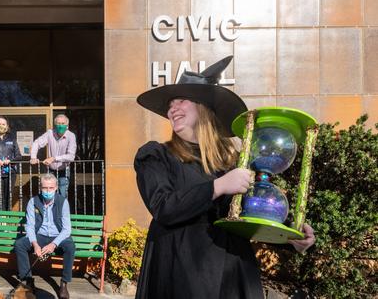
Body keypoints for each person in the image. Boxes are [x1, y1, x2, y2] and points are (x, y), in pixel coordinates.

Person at [134, 56, 316, 298]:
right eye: (169, 105)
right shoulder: (157, 155)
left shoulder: (233, 161)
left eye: (181, 100)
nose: (172, 109)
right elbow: (163, 207)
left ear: (203, 107)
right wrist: (217, 187)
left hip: (231, 274)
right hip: (180, 273)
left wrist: (289, 238)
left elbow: (247, 217)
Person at [13, 174, 75, 299]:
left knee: (70, 247)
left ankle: (64, 283)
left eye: (51, 188)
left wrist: (54, 244)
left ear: (56, 187)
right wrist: (35, 244)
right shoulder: (33, 202)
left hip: (58, 236)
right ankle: (28, 281)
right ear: (40, 188)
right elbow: (30, 226)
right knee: (19, 245)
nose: (48, 191)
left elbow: (66, 229)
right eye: (45, 188)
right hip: (40, 235)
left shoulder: (63, 202)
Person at [29, 115, 76, 198]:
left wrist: (54, 158)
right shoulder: (50, 133)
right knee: (48, 194)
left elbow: (71, 156)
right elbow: (37, 143)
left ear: (67, 125)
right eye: (58, 123)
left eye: (63, 123)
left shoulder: (71, 136)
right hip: (51, 170)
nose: (60, 125)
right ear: (55, 125)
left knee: (62, 195)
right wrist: (33, 157)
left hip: (64, 171)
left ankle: (61, 211)